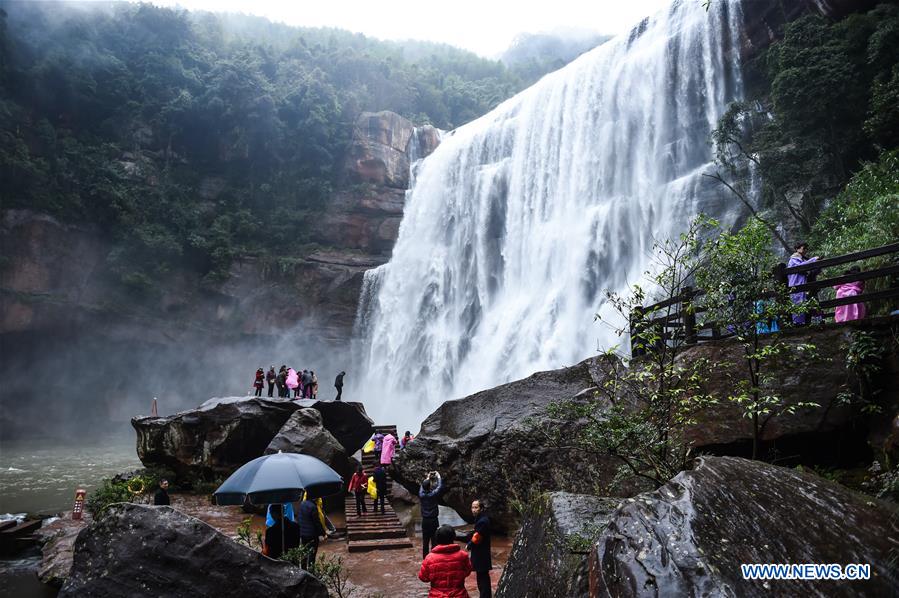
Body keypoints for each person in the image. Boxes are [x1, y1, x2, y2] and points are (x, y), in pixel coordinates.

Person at [418, 524, 472, 598]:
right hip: (459, 595)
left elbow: (423, 577)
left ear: (437, 538)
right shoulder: (463, 556)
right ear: (453, 537)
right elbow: (468, 571)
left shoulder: (429, 558)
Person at [463, 499, 492, 598]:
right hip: (481, 553)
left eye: (476, 507)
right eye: (472, 507)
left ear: (481, 509)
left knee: (482, 578)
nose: (473, 510)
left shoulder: (483, 521)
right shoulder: (481, 519)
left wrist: (468, 545)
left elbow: (477, 537)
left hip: (481, 554)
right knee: (482, 577)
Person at [787, 242, 820, 325]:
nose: (805, 250)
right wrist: (813, 260)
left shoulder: (802, 259)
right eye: (803, 248)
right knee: (797, 301)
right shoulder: (794, 259)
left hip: (802, 283)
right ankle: (797, 323)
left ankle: (805, 322)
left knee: (803, 301)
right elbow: (801, 267)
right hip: (796, 282)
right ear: (797, 249)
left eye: (806, 249)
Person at [419, 471, 443, 558]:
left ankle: (425, 559)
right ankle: (434, 557)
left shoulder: (421, 494)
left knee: (425, 541)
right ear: (430, 487)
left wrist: (428, 478)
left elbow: (422, 487)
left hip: (425, 520)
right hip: (433, 520)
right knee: (434, 540)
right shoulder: (433, 494)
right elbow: (440, 487)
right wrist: (438, 476)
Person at [297, 496, 326, 569]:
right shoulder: (313, 507)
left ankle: (303, 570)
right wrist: (323, 533)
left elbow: (299, 519)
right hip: (312, 535)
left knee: (304, 553)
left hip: (303, 534)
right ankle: (311, 571)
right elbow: (317, 522)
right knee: (312, 554)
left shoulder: (302, 504)